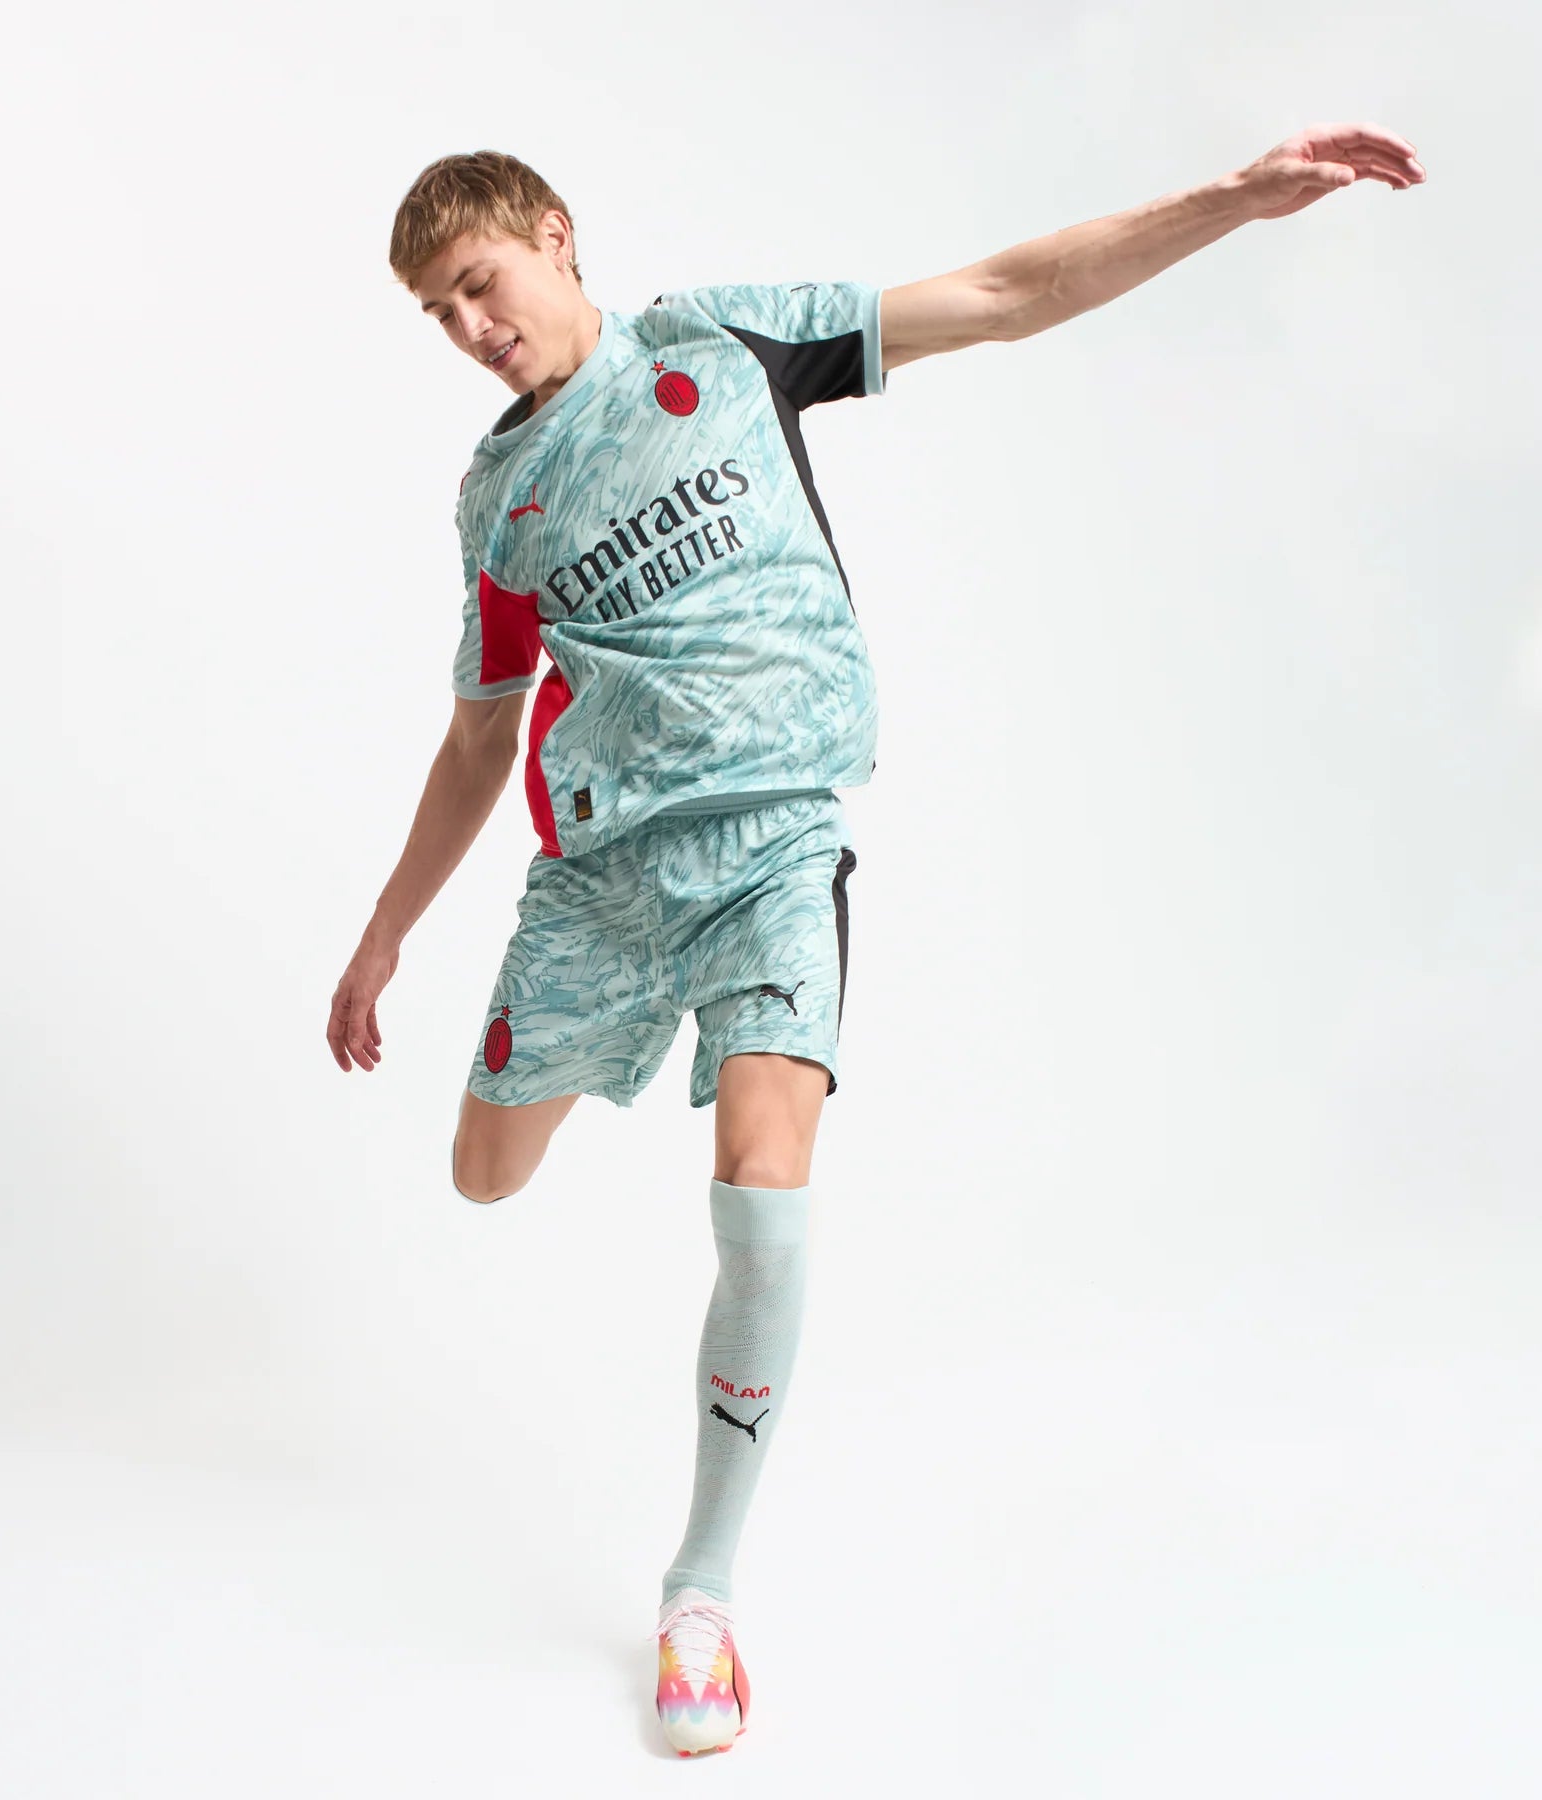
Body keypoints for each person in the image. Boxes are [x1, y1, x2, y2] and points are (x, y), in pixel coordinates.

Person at [329, 129, 1424, 1757]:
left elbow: (1003, 293)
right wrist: (384, 939)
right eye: (437, 313)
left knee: (765, 1202)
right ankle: (609, 1032)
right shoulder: (500, 502)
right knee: (483, 1175)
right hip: (604, 882)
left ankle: (699, 1597)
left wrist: (1230, 202)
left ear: (553, 234)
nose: (469, 328)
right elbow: (480, 737)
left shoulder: (726, 343)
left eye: (477, 284)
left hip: (774, 849)